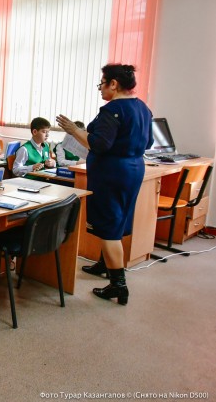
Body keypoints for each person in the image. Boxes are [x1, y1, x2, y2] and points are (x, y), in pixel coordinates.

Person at [57, 63, 153, 305]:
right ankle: (105, 264)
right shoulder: (143, 108)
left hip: (111, 173)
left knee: (109, 225)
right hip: (133, 169)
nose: (100, 88)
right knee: (116, 220)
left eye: (102, 83)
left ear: (114, 84)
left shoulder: (113, 109)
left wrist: (73, 130)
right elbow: (149, 142)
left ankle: (118, 285)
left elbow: (99, 144)